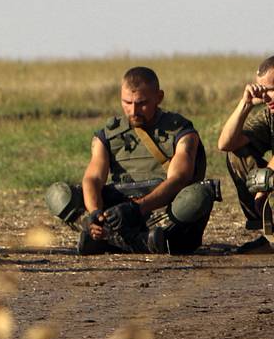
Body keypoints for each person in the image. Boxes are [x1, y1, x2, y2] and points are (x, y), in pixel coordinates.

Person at [44, 66, 217, 254]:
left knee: (198, 195)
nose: (133, 110)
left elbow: (179, 179)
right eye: (127, 102)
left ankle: (115, 241)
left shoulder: (181, 132)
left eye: (142, 103)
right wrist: (95, 213)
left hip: (160, 211)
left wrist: (137, 208)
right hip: (116, 212)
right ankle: (113, 235)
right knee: (59, 194)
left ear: (159, 97)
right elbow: (93, 178)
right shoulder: (107, 136)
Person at [216, 56, 274, 253]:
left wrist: (263, 186)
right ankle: (269, 232)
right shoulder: (269, 115)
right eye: (263, 91)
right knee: (237, 154)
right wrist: (246, 104)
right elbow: (226, 143)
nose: (266, 97)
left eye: (271, 90)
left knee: (266, 178)